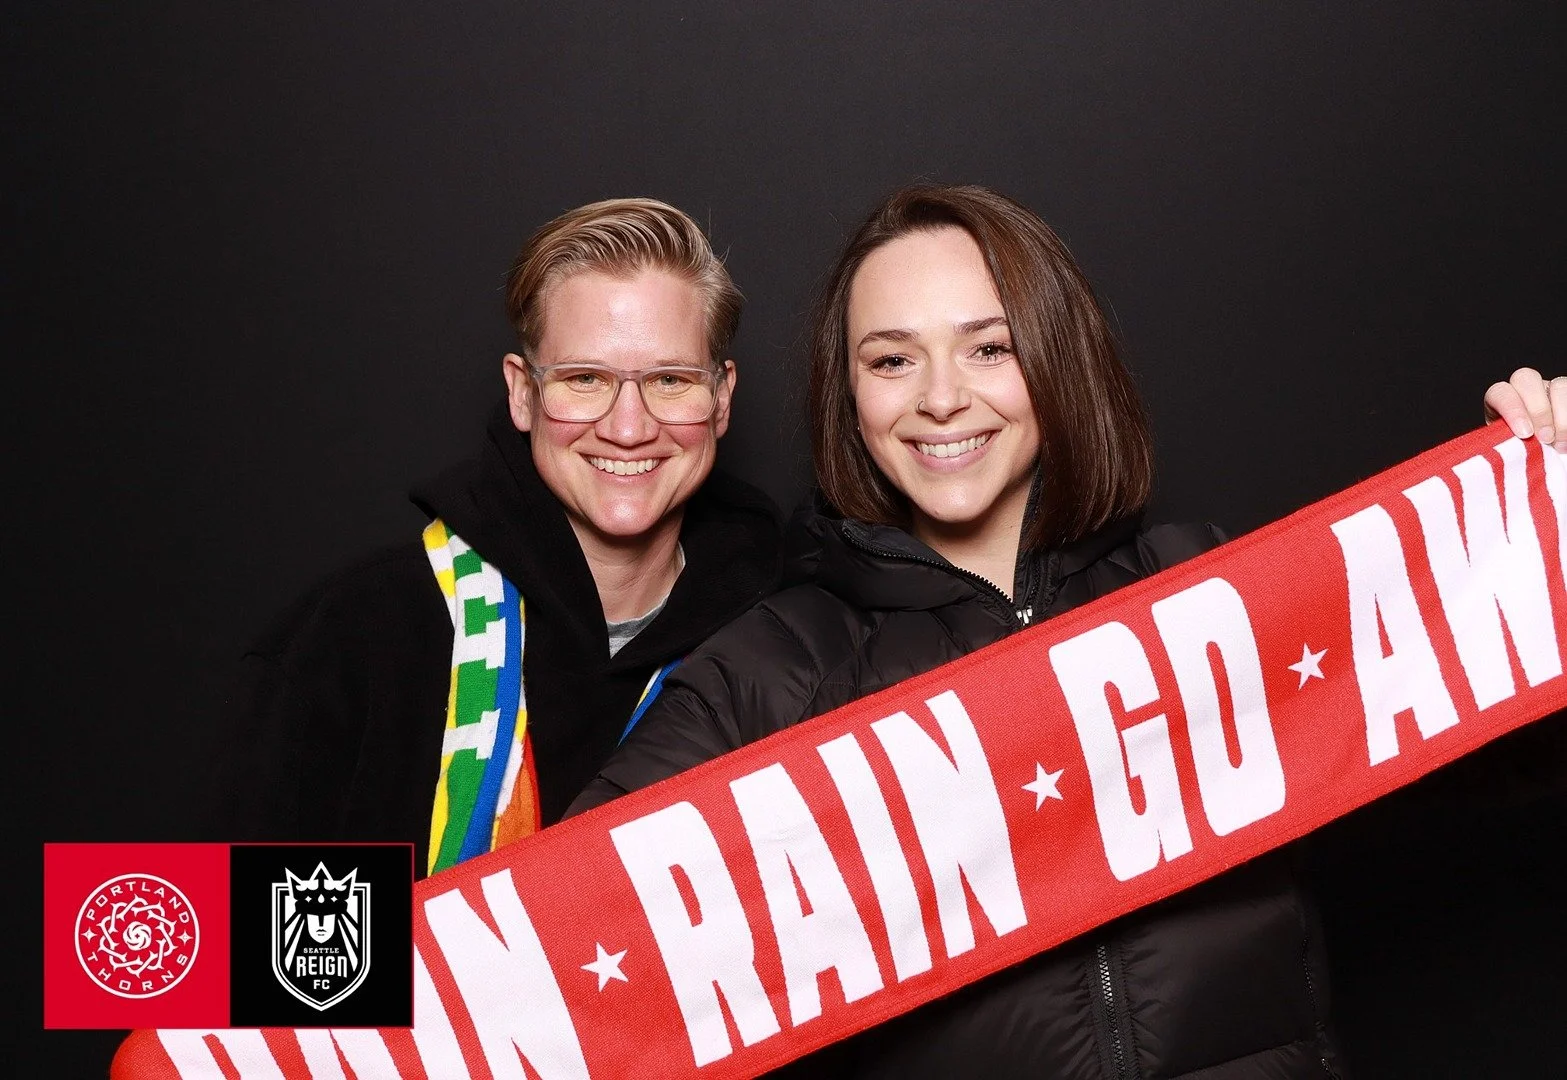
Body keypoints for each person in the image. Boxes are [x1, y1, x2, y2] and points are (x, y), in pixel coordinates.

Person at [569, 185, 1567, 1077]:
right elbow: (547, 938)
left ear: (1056, 358)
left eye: (989, 347)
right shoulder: (774, 670)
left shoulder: (1209, 591)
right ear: (850, 393)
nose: (941, 398)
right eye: (892, 359)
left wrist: (1544, 530)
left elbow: (1502, 740)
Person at [217, 198, 781, 878]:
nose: (628, 428)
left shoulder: (787, 640)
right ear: (522, 392)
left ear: (720, 399)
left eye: (670, 380)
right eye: (584, 379)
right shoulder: (356, 636)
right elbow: (222, 932)